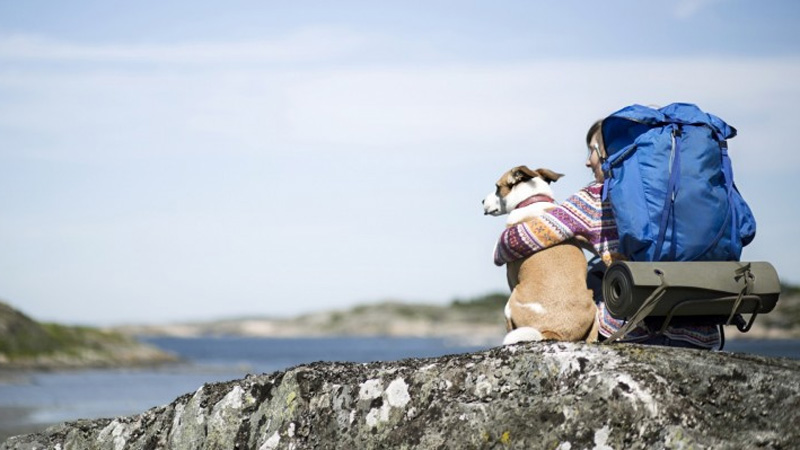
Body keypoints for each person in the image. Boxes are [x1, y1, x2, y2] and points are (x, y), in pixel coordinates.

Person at [493, 119, 721, 349]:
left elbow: (519, 241)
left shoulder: (595, 199)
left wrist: (501, 245)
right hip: (702, 332)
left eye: (592, 150)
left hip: (634, 331)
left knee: (593, 276)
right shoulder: (706, 195)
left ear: (611, 153)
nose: (587, 162)